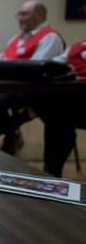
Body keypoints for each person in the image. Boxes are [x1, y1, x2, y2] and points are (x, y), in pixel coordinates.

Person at [0, 1, 65, 151]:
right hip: (9, 85)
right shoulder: (16, 39)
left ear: (40, 15)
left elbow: (34, 70)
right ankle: (12, 130)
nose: (20, 18)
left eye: (25, 14)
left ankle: (16, 123)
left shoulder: (50, 37)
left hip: (36, 90)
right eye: (18, 14)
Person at [31, 40, 86, 177]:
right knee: (51, 106)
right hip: (73, 96)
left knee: (57, 113)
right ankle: (53, 173)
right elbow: (53, 65)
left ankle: (53, 173)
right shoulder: (78, 46)